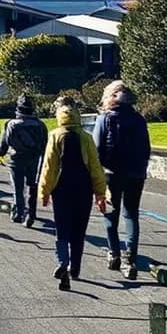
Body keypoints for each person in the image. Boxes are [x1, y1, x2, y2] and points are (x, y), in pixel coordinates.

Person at [39, 103, 108, 291]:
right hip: (83, 188)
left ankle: (63, 261)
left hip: (61, 189)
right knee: (78, 231)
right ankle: (75, 268)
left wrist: (44, 191)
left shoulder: (54, 136)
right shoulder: (86, 138)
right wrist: (100, 193)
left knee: (62, 229)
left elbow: (49, 167)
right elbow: (95, 167)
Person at [93, 80, 152, 281]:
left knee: (110, 215)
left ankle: (114, 254)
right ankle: (130, 260)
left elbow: (97, 149)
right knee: (131, 215)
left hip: (111, 173)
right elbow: (146, 148)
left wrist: (96, 176)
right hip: (135, 173)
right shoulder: (139, 119)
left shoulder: (104, 119)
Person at [0, 94, 49, 227]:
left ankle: (18, 213)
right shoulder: (40, 125)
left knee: (18, 187)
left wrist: (1, 152)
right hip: (34, 159)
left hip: (16, 159)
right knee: (33, 186)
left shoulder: (12, 124)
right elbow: (45, 144)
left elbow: (6, 142)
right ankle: (32, 213)